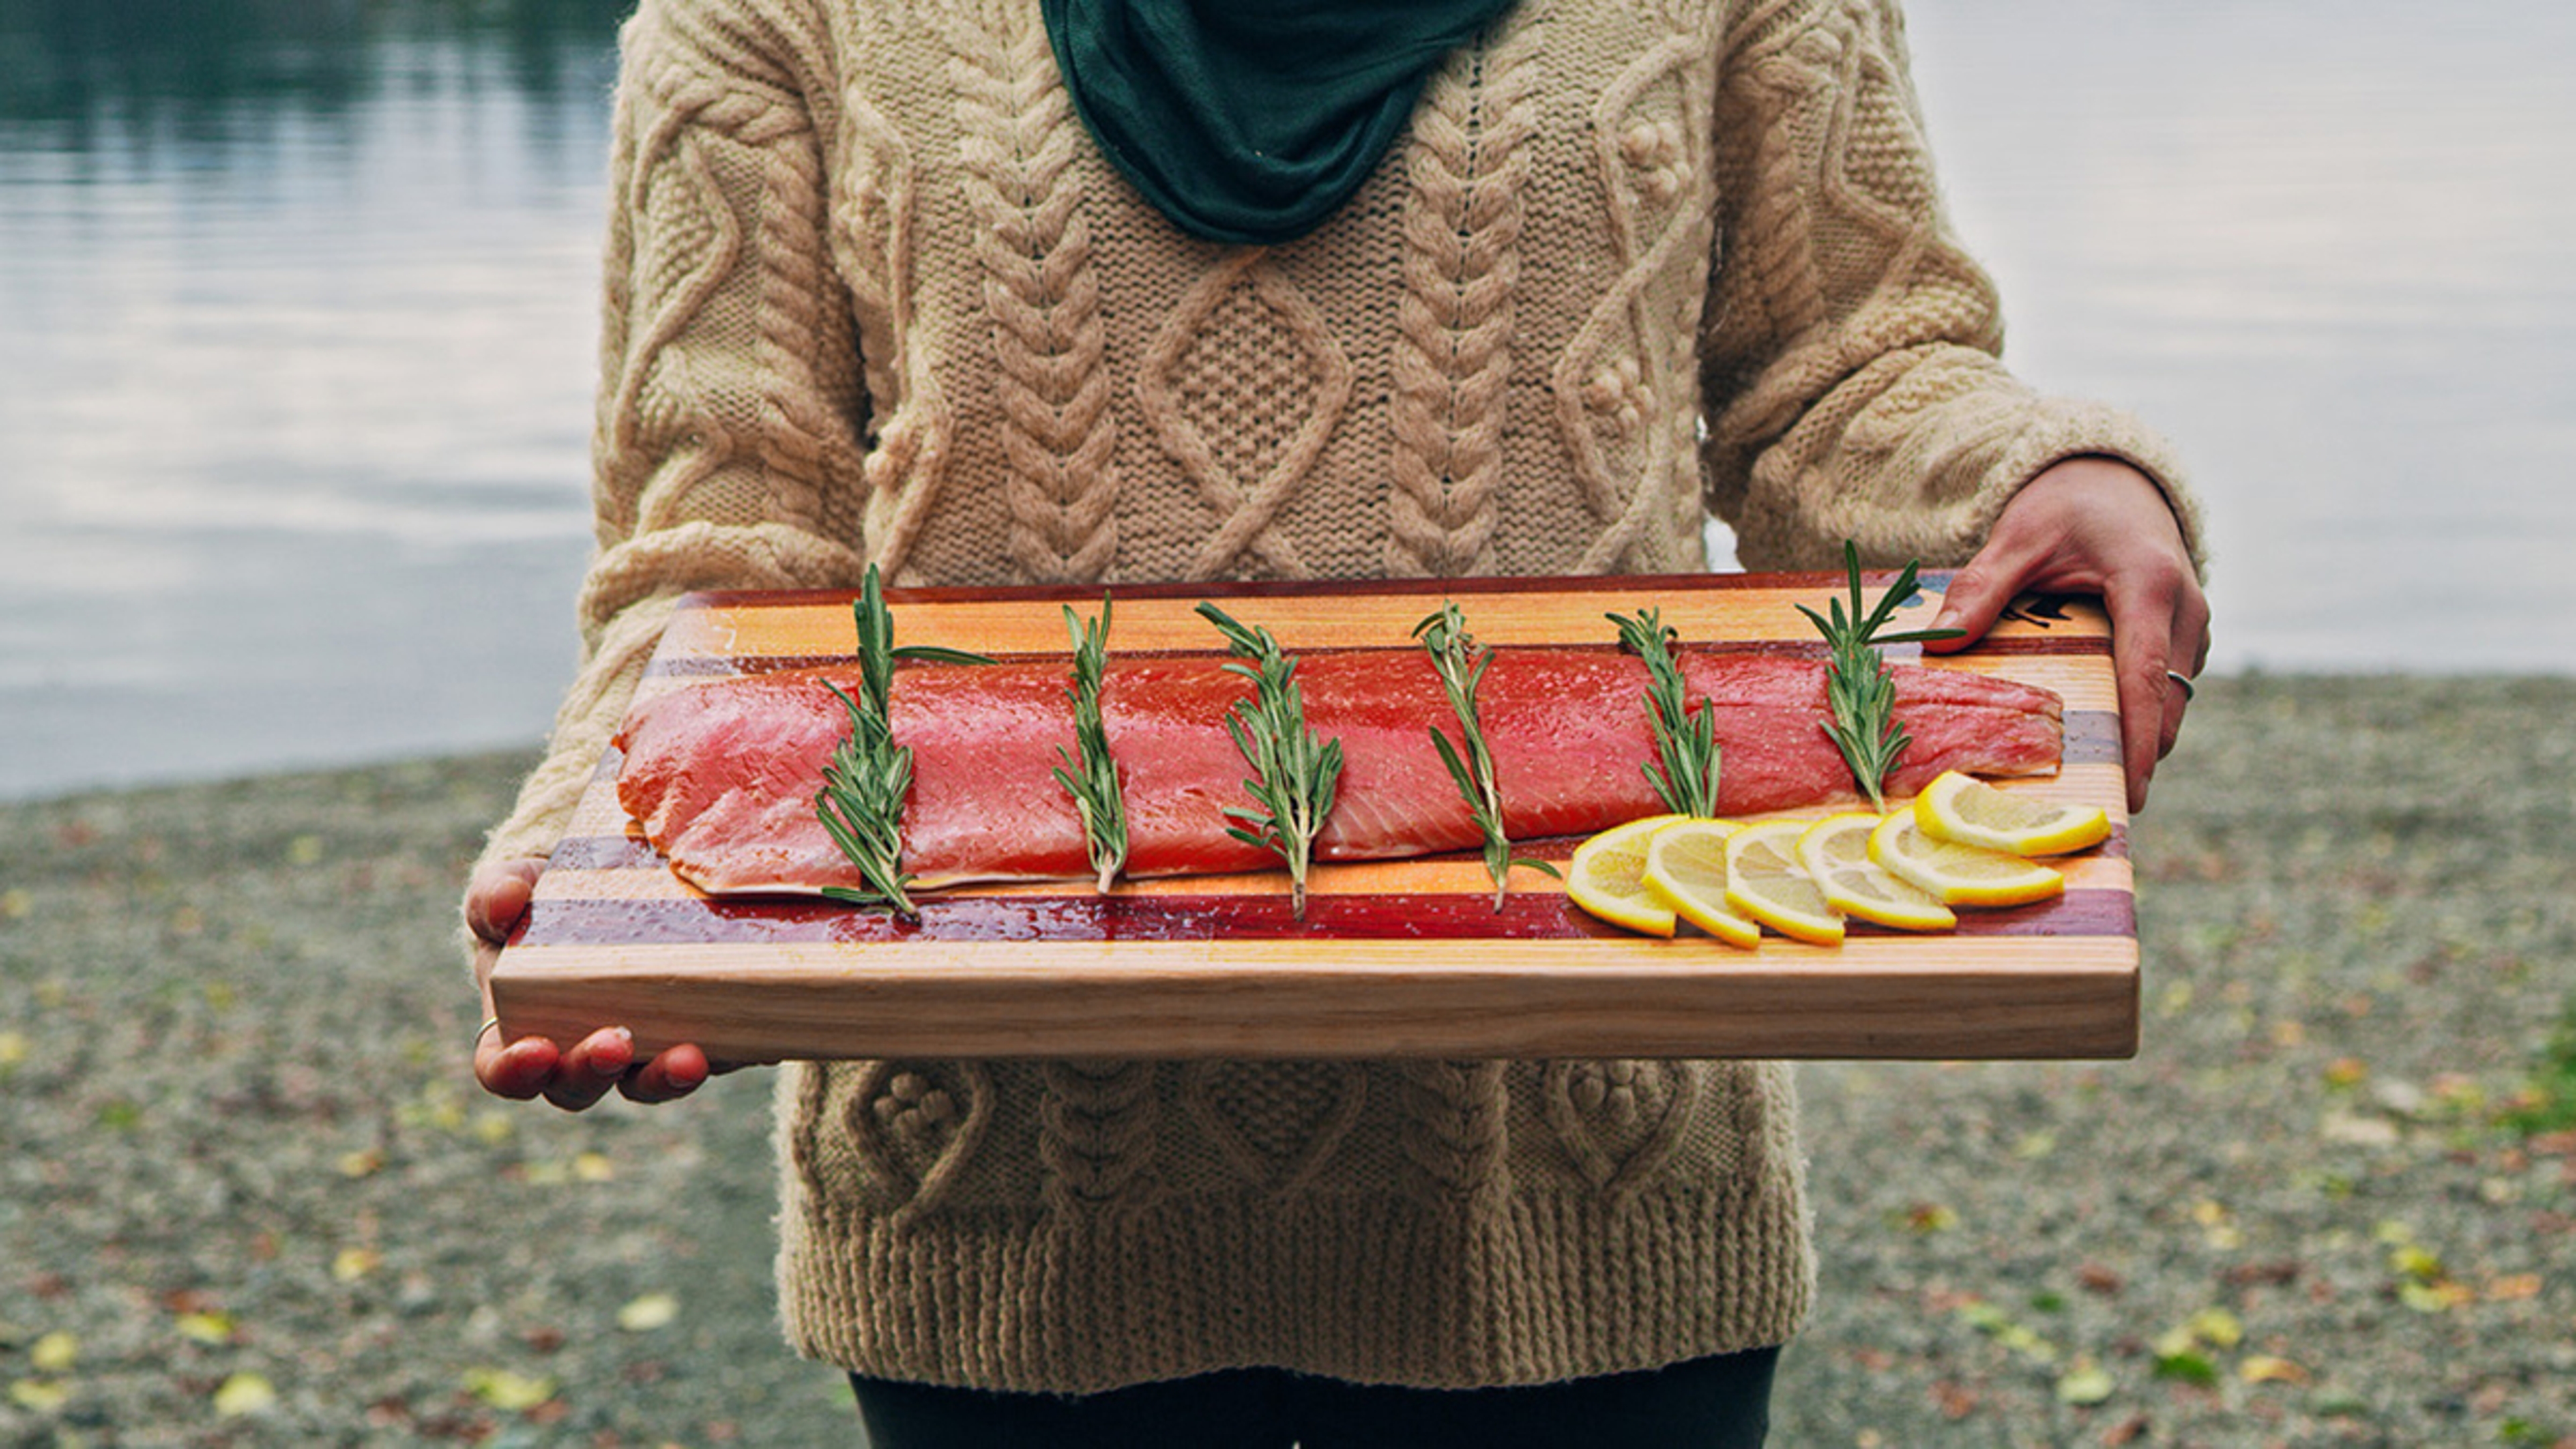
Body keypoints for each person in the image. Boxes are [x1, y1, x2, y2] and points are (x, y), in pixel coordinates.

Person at [466, 0, 2210, 1442]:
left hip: (1573, 1190)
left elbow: (1838, 371)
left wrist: (2040, 470)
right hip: (1014, 1199)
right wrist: (601, 852)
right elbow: (722, 541)